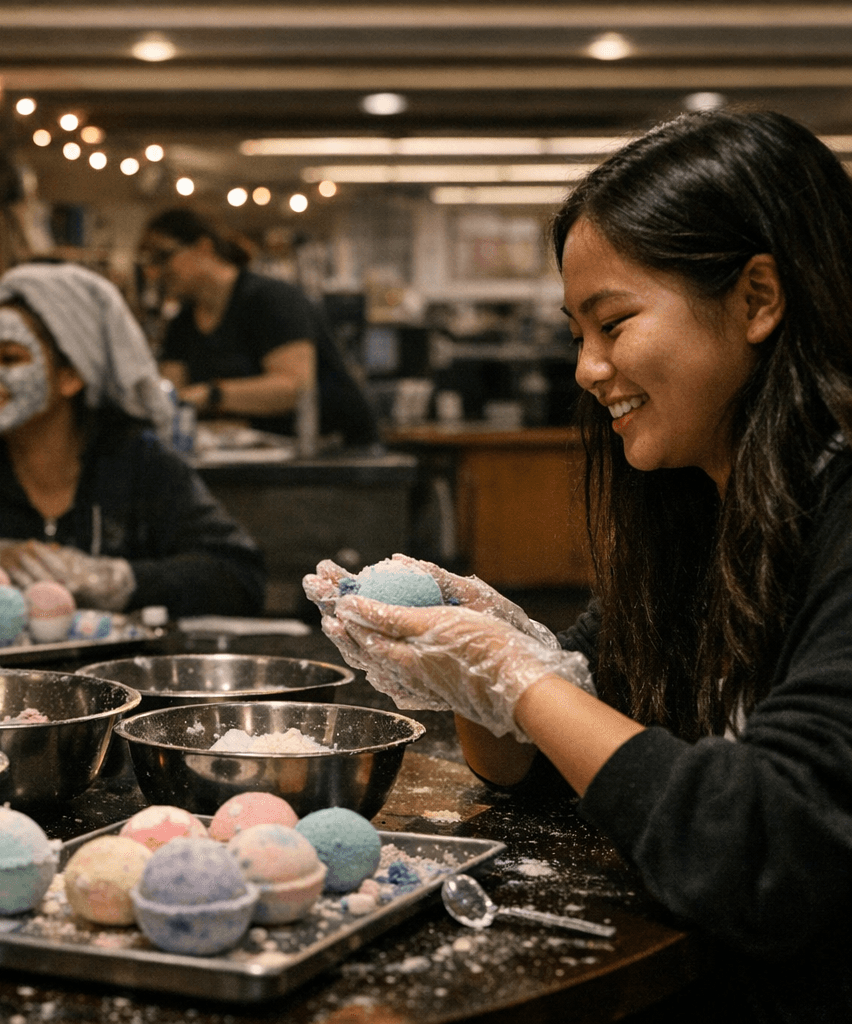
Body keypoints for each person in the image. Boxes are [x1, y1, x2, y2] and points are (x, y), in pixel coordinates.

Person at [307, 109, 852, 1022]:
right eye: (576, 333)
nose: (588, 369)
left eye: (615, 322)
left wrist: (522, 680)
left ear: (759, 299)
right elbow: (566, 769)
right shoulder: (701, 509)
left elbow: (763, 851)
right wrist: (479, 682)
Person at [0, 262, 265, 617]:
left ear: (71, 376)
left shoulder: (134, 458)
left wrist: (117, 581)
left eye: (10, 357)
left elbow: (239, 575)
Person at [141, 207, 379, 445]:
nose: (154, 272)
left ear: (203, 247)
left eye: (163, 257)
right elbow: (174, 395)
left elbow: (294, 387)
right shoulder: (182, 321)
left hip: (334, 455)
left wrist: (211, 395)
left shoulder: (271, 299)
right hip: (247, 456)